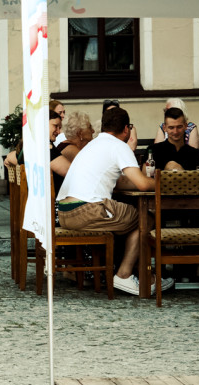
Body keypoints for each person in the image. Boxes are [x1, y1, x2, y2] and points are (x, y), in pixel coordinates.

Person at [56, 106, 173, 296]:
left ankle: (140, 274)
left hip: (65, 212)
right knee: (147, 218)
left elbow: (120, 183)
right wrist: (166, 181)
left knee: (132, 217)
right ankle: (124, 275)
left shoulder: (92, 145)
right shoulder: (119, 146)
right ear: (126, 129)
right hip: (87, 210)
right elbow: (143, 184)